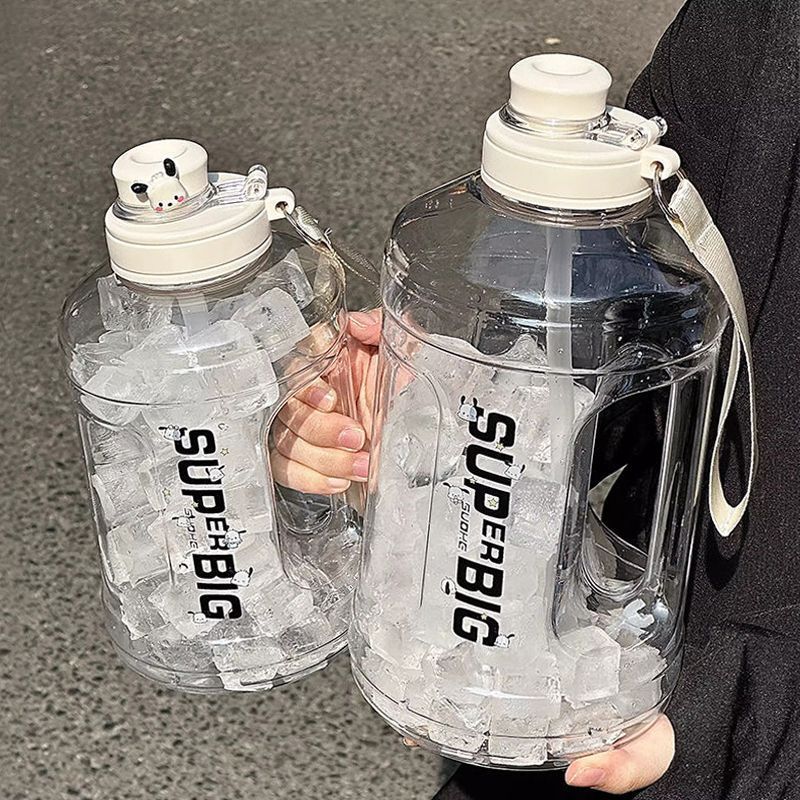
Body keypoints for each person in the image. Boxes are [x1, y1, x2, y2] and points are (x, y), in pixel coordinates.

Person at [273, 0, 800, 795]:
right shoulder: (756, 26)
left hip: (695, 724)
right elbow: (621, 342)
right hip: (595, 660)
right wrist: (425, 435)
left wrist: (734, 727)